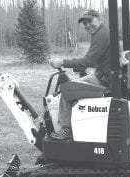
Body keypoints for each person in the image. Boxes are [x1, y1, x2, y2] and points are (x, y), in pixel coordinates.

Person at [50, 9, 111, 140]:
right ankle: (74, 122)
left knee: (67, 91)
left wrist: (62, 62)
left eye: (89, 21)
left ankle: (66, 129)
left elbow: (88, 61)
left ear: (98, 19)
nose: (87, 25)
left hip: (104, 80)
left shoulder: (101, 35)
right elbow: (98, 60)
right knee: (69, 87)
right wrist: (76, 64)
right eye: (84, 23)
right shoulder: (102, 32)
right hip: (102, 75)